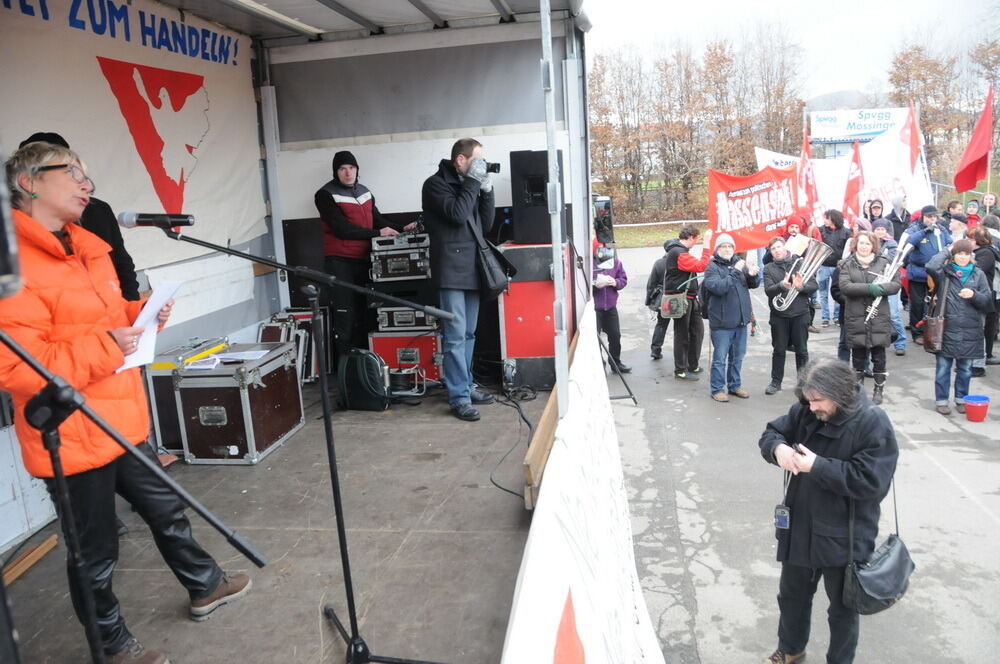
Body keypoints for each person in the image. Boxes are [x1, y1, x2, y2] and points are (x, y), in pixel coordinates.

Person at [0, 142, 251, 664]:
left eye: (86, 172)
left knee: (167, 508)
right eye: (71, 172)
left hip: (120, 414)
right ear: (28, 183)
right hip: (71, 434)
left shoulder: (88, 245)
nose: (86, 183)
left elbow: (101, 318)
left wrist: (142, 315)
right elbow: (16, 366)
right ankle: (111, 647)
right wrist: (108, 345)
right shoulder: (13, 265)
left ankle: (205, 585)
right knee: (94, 554)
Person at [758, 359, 898, 664]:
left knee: (843, 610)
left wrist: (816, 466)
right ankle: (791, 649)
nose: (811, 408)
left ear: (840, 394)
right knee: (792, 597)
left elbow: (872, 482)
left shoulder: (873, 422)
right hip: (800, 526)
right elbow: (772, 433)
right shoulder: (805, 410)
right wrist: (777, 449)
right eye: (808, 400)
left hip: (844, 535)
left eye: (818, 401)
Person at [422, 138, 496, 422]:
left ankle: (466, 385)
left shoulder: (471, 184)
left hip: (472, 269)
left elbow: (485, 225)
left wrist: (486, 191)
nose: (480, 165)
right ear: (460, 161)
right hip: (450, 270)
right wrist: (474, 184)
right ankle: (459, 397)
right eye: (476, 160)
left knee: (468, 335)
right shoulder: (435, 184)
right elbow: (456, 214)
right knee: (454, 338)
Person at [315, 150, 416, 355]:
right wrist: (379, 232)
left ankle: (365, 366)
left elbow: (378, 221)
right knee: (346, 317)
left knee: (366, 314)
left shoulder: (365, 191)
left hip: (366, 261)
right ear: (336, 172)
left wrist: (402, 228)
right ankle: (346, 371)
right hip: (340, 263)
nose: (348, 172)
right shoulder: (324, 194)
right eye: (342, 169)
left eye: (351, 168)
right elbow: (341, 229)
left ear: (357, 170)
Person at [19, 131, 140, 301]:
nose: (85, 187)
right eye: (69, 172)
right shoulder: (12, 238)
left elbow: (122, 265)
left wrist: (132, 310)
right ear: (30, 181)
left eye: (78, 173)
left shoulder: (98, 213)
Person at [924, 241, 993, 414]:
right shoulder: (944, 273)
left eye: (966, 254)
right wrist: (947, 249)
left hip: (971, 329)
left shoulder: (978, 275)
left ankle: (961, 399)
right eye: (959, 253)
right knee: (943, 369)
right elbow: (931, 265)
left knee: (965, 369)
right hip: (946, 328)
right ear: (953, 255)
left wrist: (974, 295)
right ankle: (941, 400)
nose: (963, 257)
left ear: (971, 256)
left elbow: (987, 302)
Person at [838, 232, 901, 405]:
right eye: (861, 243)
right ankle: (858, 392)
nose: (864, 246)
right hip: (856, 316)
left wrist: (881, 288)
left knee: (879, 356)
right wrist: (870, 289)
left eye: (867, 243)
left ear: (873, 245)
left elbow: (896, 284)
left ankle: (878, 390)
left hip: (878, 316)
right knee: (858, 356)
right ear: (855, 245)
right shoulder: (847, 264)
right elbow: (845, 286)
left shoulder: (883, 263)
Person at [703, 233, 759, 401]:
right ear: (717, 249)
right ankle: (717, 389)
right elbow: (718, 288)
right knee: (720, 359)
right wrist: (735, 271)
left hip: (741, 321)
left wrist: (753, 275)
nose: (727, 249)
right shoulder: (712, 267)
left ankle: (735, 386)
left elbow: (752, 285)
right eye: (723, 246)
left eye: (730, 246)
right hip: (722, 323)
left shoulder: (738, 264)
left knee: (737, 357)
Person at [657, 224, 713, 380]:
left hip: (689, 298)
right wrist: (707, 243)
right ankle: (680, 370)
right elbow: (702, 265)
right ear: (691, 237)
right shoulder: (678, 252)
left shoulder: (680, 252)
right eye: (697, 239)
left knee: (698, 332)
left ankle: (692, 365)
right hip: (680, 299)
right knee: (681, 334)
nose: (697, 242)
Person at [763, 236, 817, 395]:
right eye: (773, 249)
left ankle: (803, 383)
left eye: (779, 247)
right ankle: (775, 382)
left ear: (785, 247)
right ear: (771, 252)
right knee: (778, 350)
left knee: (802, 350)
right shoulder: (768, 268)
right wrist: (781, 286)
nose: (777, 250)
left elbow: (814, 285)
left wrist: (801, 287)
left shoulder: (799, 263)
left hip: (800, 313)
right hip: (779, 315)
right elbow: (768, 290)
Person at [904, 205, 952, 344]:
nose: (932, 219)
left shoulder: (941, 230)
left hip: (936, 273)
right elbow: (909, 242)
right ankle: (917, 332)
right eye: (929, 217)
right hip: (919, 272)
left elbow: (950, 243)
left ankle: (932, 330)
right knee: (918, 304)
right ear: (923, 217)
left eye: (934, 217)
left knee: (935, 304)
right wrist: (924, 232)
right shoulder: (915, 229)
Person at [592, 242, 630, 374]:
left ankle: (615, 362)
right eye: (597, 249)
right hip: (595, 308)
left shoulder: (615, 262)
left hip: (611, 306)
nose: (601, 251)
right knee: (595, 338)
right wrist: (594, 285)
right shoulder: (588, 263)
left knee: (615, 335)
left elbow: (623, 279)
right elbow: (582, 283)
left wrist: (616, 282)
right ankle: (599, 364)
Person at [872, 220, 907, 356]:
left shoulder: (892, 244)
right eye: (877, 229)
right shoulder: (869, 242)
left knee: (893, 314)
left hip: (890, 282)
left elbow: (888, 261)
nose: (880, 232)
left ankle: (901, 342)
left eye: (883, 229)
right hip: (874, 282)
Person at [969, 227, 999, 371]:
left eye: (970, 239)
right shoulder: (981, 252)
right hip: (981, 295)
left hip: (984, 295)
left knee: (981, 329)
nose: (967, 241)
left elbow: (977, 271)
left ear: (977, 241)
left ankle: (979, 364)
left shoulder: (986, 253)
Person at [817, 210, 850, 328]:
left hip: (839, 267)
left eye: (826, 218)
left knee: (837, 293)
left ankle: (836, 316)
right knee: (823, 293)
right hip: (824, 265)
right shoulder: (820, 230)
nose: (824, 221)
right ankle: (825, 317)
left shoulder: (846, 232)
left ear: (833, 219)